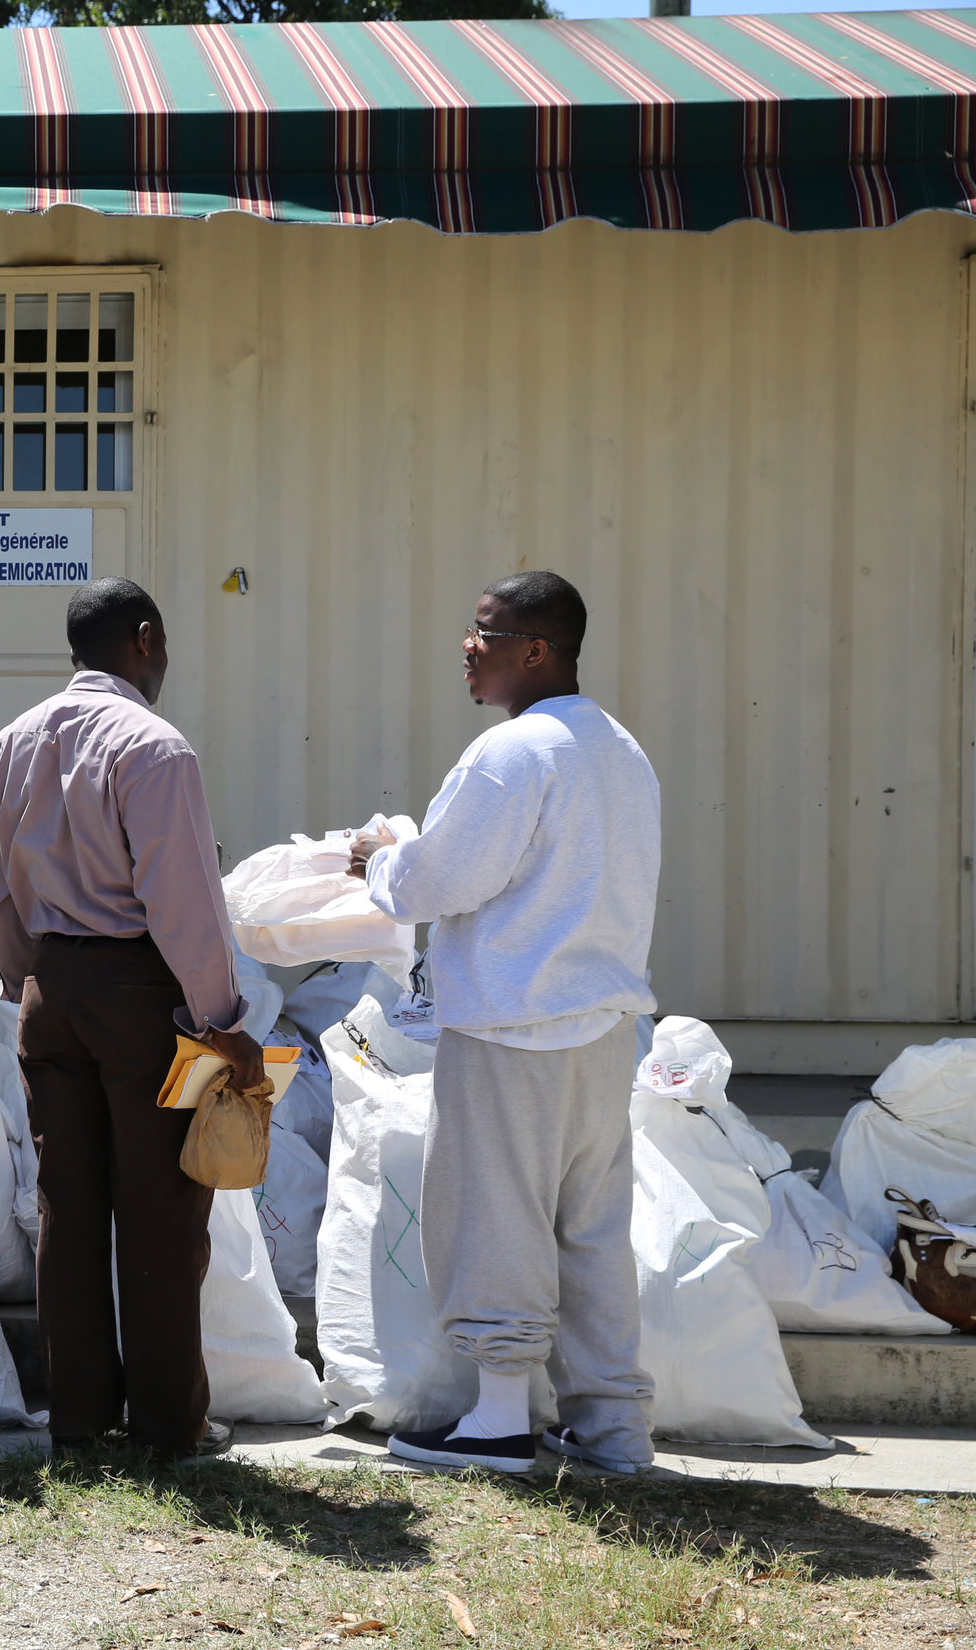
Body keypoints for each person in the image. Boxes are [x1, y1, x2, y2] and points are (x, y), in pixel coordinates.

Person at [351, 571, 661, 1478]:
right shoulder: (620, 747)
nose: (467, 644)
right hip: (603, 1032)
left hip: (511, 1031)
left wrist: (379, 860)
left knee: (495, 1221)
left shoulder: (512, 753)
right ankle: (613, 1429)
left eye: (486, 632)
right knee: (592, 1232)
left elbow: (436, 882)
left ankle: (497, 1422)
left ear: (538, 649)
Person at [0, 577, 261, 1461]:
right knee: (161, 1209)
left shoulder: (13, 740)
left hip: (51, 994)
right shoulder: (154, 745)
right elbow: (182, 898)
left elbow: (1, 885)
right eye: (165, 646)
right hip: (143, 995)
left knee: (67, 1205)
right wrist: (222, 1017)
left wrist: (27, 983)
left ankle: (78, 1418)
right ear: (145, 638)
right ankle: (169, 1426)